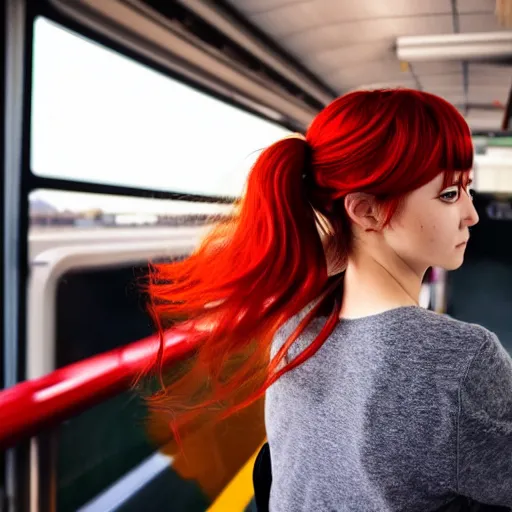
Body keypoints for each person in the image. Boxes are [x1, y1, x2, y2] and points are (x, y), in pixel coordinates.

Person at [146, 89, 512, 511]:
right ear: (366, 211)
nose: (471, 214)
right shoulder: (463, 360)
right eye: (449, 194)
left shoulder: (295, 326)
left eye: (467, 189)